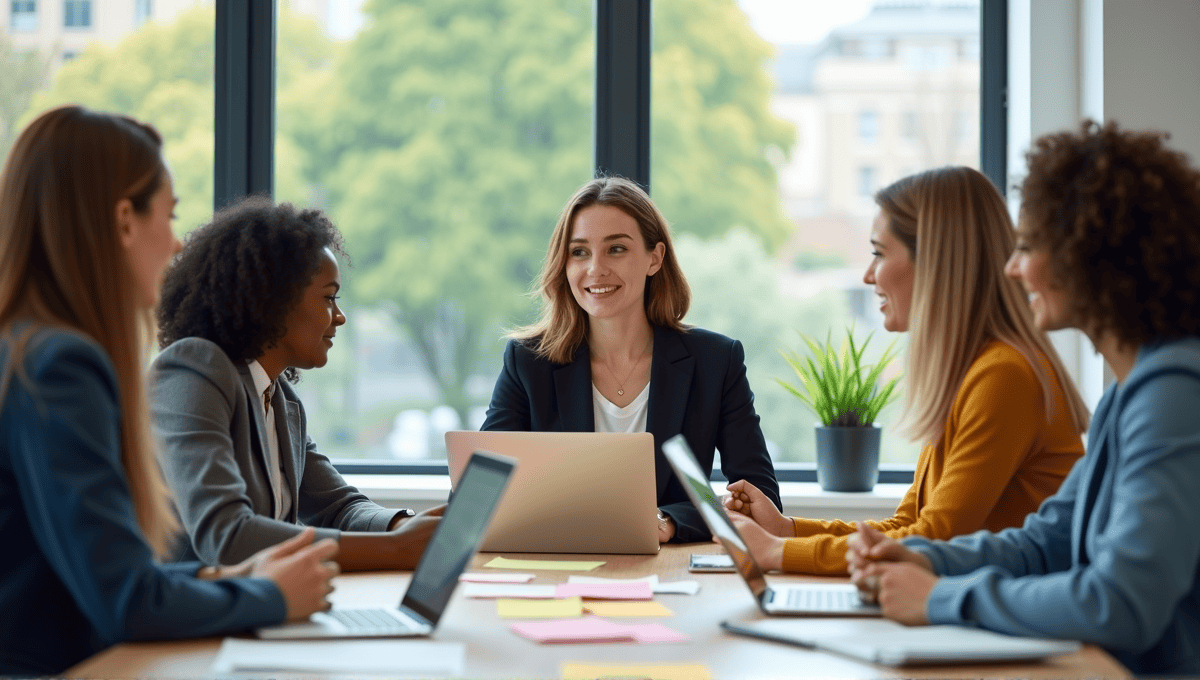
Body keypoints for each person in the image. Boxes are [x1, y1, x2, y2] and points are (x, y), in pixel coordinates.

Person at [847, 122, 1200, 676]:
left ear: (1092, 257)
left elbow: (1121, 603)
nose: (1013, 268)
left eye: (1029, 247)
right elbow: (1044, 544)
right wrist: (923, 558)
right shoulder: (1125, 398)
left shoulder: (1174, 398)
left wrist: (938, 598)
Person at [0, 106, 339, 676]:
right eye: (169, 214)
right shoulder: (62, 366)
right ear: (124, 220)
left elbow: (102, 574)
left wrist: (221, 579)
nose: (177, 241)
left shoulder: (24, 346)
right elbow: (127, 601)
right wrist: (273, 596)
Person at [723, 166, 1089, 574]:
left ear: (934, 261)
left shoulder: (1003, 376)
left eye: (879, 253)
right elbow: (909, 525)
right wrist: (787, 530)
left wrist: (776, 552)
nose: (868, 275)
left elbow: (935, 539)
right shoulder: (969, 373)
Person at [481, 176, 781, 543]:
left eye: (616, 249)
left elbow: (760, 501)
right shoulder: (528, 362)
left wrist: (669, 520)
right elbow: (476, 497)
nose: (595, 269)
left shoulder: (715, 361)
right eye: (579, 252)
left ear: (654, 258)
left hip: (670, 573)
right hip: (560, 569)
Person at [151, 196, 444, 570]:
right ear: (273, 301)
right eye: (329, 298)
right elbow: (226, 536)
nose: (340, 318)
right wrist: (396, 549)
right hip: (191, 623)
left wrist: (406, 527)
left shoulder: (279, 397)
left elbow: (338, 507)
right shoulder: (194, 370)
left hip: (261, 613)